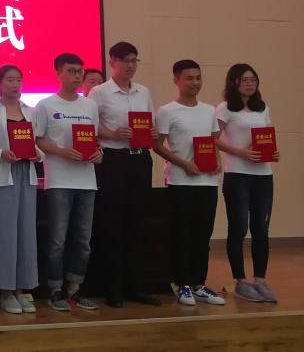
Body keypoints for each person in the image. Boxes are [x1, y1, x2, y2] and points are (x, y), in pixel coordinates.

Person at [87, 42, 161, 308]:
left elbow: (148, 122)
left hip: (140, 159)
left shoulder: (144, 91)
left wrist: (152, 133)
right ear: (112, 63)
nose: (130, 65)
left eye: (134, 60)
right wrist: (113, 133)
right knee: (113, 223)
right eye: (125, 60)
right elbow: (90, 127)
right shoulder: (99, 92)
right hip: (114, 160)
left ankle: (136, 286)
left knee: (137, 223)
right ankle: (114, 289)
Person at [34, 53, 103, 312]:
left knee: (83, 240)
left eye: (80, 71)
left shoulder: (90, 106)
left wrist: (98, 154)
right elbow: (38, 140)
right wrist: (61, 151)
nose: (77, 76)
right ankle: (55, 289)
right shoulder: (46, 105)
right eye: (71, 71)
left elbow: (94, 140)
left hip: (87, 180)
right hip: (59, 180)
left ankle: (75, 288)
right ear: (58, 73)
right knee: (57, 240)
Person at [153, 59, 225, 307]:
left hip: (208, 182)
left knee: (203, 234)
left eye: (198, 78)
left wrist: (217, 160)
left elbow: (212, 142)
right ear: (176, 80)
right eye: (189, 78)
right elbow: (157, 145)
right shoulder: (167, 111)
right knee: (182, 234)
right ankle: (182, 283)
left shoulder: (209, 110)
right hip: (180, 181)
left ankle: (198, 283)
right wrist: (183, 163)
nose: (195, 83)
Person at [0, 64, 42, 315]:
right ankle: (6, 291)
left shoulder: (30, 111)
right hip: (4, 176)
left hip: (27, 175)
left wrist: (38, 155)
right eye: (10, 80)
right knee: (6, 235)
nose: (15, 85)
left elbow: (37, 143)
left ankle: (22, 289)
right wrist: (0, 153)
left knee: (26, 234)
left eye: (18, 80)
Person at [216, 63, 278, 303]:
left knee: (261, 229)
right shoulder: (225, 108)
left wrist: (273, 152)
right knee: (239, 227)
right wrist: (240, 152)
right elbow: (213, 139)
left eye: (253, 79)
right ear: (234, 82)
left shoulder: (262, 108)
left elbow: (266, 137)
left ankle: (260, 279)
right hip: (237, 174)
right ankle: (241, 281)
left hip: (263, 175)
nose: (250, 83)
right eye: (245, 79)